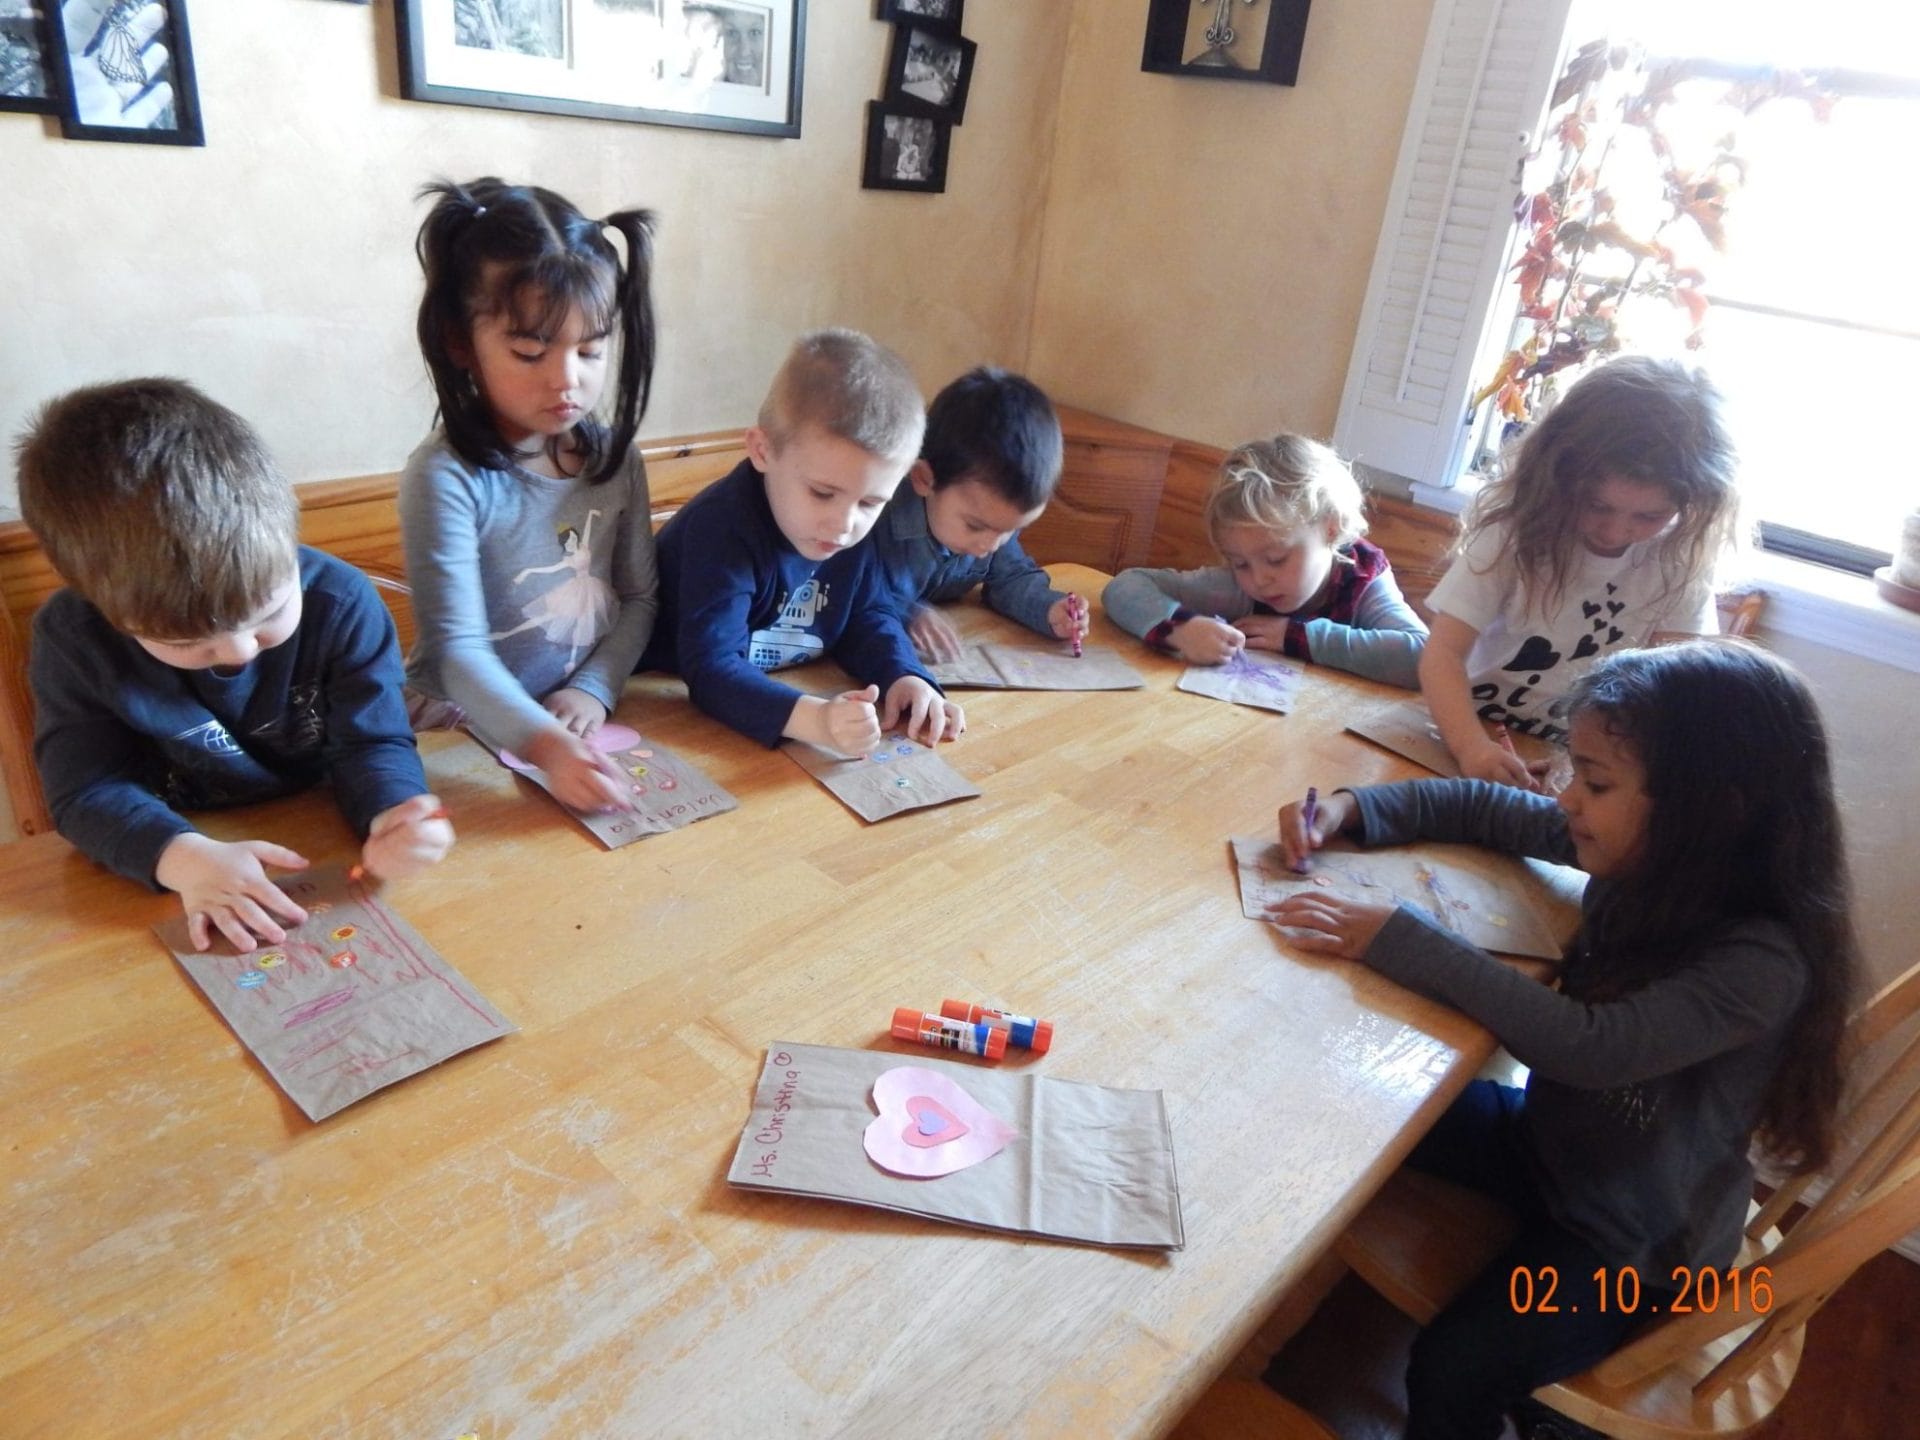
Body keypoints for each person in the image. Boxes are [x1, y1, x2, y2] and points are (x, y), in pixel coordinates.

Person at [1269, 641, 1857, 1439]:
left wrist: (1392, 936)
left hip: (1635, 1251)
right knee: (1378, 1101)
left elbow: (1588, 1045)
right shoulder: (1648, 853)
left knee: (1455, 1365)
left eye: (1596, 781)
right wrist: (1351, 811)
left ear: (1710, 809)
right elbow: (1485, 809)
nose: (1566, 797)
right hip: (1553, 1149)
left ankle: (1548, 1419)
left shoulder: (1762, 960)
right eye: (1576, 772)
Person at [16, 379, 453, 952]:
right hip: (180, 846)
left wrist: (392, 812)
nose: (242, 652)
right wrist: (183, 857)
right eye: (188, 641)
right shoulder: (75, 639)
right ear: (109, 614)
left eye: (270, 611)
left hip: (316, 820)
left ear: (287, 537)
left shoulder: (341, 601)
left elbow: (372, 743)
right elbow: (86, 792)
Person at [399, 176, 660, 814]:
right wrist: (543, 743)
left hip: (570, 718)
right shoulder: (445, 477)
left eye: (591, 350)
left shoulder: (616, 460)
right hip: (455, 729)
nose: (567, 380)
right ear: (461, 343)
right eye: (529, 350)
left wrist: (596, 688)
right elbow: (458, 653)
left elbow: (640, 597)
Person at [639, 328, 963, 754]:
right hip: (661, 702)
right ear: (762, 451)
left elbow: (865, 615)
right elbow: (711, 668)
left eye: (870, 502)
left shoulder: (851, 530)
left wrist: (904, 676)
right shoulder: (721, 528)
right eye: (822, 493)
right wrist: (815, 719)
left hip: (785, 687)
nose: (844, 524)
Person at [1420, 355, 1740, 784]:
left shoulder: (1680, 565)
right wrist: (1470, 747)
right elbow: (1442, 654)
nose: (1616, 531)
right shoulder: (1515, 534)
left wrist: (1591, 768)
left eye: (1648, 517)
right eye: (1597, 506)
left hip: (1578, 764)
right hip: (1466, 728)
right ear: (1559, 476)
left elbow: (1671, 699)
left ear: (1691, 504)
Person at [1101, 434, 1427, 686]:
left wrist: (1296, 636)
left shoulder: (1364, 580)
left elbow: (1421, 656)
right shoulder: (1237, 588)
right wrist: (1180, 629)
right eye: (1239, 563)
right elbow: (1126, 586)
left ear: (1331, 528)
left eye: (1276, 559)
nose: (1258, 580)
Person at [868, 367, 1085, 662]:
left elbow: (1010, 579)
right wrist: (909, 614)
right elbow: (846, 587)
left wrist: (1050, 610)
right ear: (923, 479)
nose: (990, 545)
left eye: (1008, 530)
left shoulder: (991, 522)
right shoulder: (876, 514)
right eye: (974, 526)